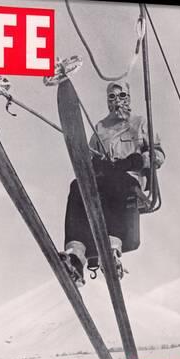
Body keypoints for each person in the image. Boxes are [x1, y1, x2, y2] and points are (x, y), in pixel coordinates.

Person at [61, 80, 165, 286]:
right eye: (112, 97)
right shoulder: (100, 128)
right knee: (77, 186)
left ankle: (111, 248)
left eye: (122, 96)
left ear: (129, 98)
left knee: (116, 181)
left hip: (129, 179)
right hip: (103, 179)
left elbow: (158, 155)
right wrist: (94, 165)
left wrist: (138, 160)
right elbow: (88, 158)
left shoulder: (140, 123)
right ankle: (76, 255)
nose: (117, 101)